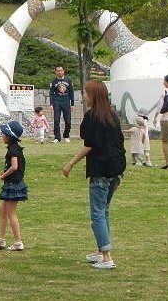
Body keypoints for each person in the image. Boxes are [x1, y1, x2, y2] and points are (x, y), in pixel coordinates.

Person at [62, 79, 126, 270]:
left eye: (86, 93)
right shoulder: (113, 116)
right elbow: (119, 143)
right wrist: (120, 173)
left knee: (97, 213)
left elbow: (89, 145)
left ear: (93, 96)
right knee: (104, 210)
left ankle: (107, 257)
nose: (84, 96)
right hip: (115, 169)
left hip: (101, 170)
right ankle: (100, 251)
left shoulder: (92, 117)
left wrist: (70, 164)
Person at [0, 120, 27, 251]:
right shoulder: (13, 148)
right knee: (2, 211)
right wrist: (4, 171)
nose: (2, 135)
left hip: (13, 185)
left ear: (9, 136)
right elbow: (12, 166)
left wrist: (4, 176)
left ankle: (18, 242)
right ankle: (1, 239)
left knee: (11, 213)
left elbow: (14, 166)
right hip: (12, 183)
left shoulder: (13, 150)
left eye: (4, 133)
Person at [49, 65, 75, 143]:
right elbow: (51, 93)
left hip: (66, 102)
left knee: (68, 121)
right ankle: (57, 137)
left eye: (61, 70)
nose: (60, 72)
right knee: (56, 120)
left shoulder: (69, 80)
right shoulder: (53, 81)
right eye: (58, 71)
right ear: (56, 72)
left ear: (63, 71)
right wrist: (51, 104)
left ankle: (66, 136)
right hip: (57, 102)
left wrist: (72, 104)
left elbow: (71, 92)